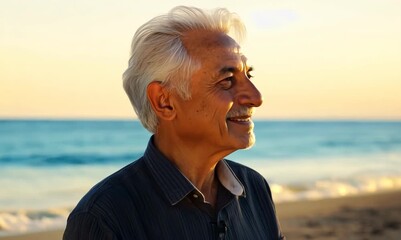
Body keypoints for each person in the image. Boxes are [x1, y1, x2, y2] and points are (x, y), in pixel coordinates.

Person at [63, 6, 285, 240]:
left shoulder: (255, 189)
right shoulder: (104, 218)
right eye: (227, 80)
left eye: (248, 76)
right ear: (164, 101)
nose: (256, 97)